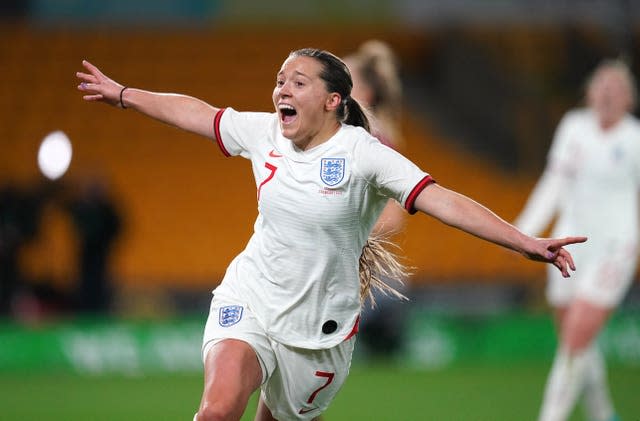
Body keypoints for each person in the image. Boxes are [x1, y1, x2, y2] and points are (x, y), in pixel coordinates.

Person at [77, 48, 585, 421]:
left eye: (298, 82)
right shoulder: (265, 133)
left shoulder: (364, 154)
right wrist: (124, 95)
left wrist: (525, 242)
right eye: (279, 80)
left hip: (319, 335)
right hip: (250, 296)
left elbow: (442, 200)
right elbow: (197, 113)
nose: (282, 90)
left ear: (333, 99)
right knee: (215, 411)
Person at [514, 59, 639, 421]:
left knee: (575, 340)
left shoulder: (634, 139)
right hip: (567, 247)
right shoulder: (574, 128)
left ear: (629, 99)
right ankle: (603, 414)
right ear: (589, 92)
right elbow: (554, 183)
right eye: (601, 86)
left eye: (616, 88)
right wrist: (522, 231)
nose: (607, 93)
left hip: (615, 248)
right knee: (577, 342)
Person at [343, 40, 409, 358]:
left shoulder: (374, 141)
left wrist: (341, 238)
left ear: (365, 94)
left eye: (343, 81)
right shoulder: (343, 138)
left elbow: (394, 217)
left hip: (356, 270)